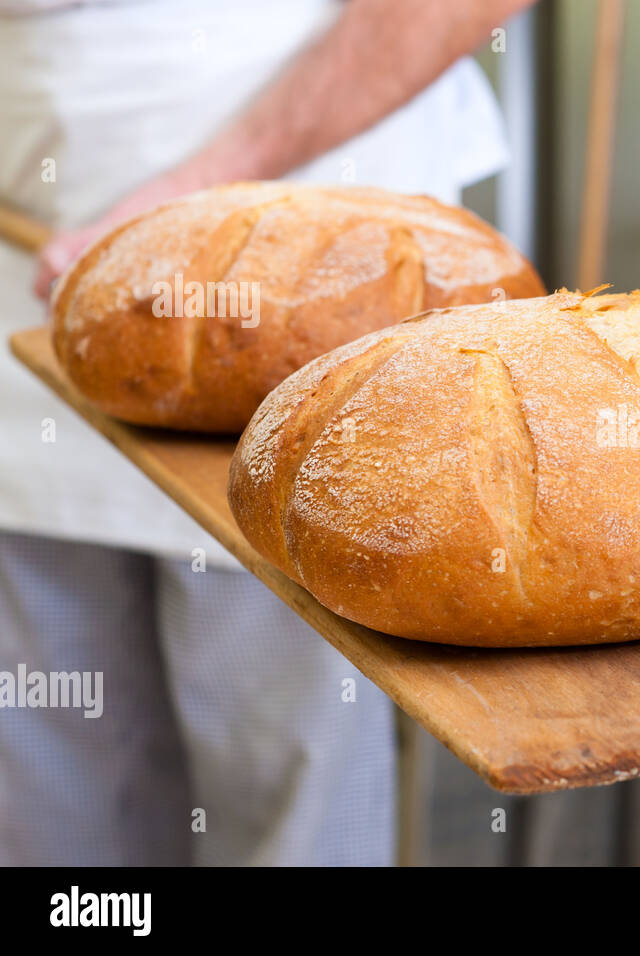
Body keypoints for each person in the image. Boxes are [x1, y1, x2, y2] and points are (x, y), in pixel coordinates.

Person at [0, 0, 537, 866]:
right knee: (56, 803)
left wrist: (205, 191)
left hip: (315, 295)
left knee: (289, 802)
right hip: (21, 289)